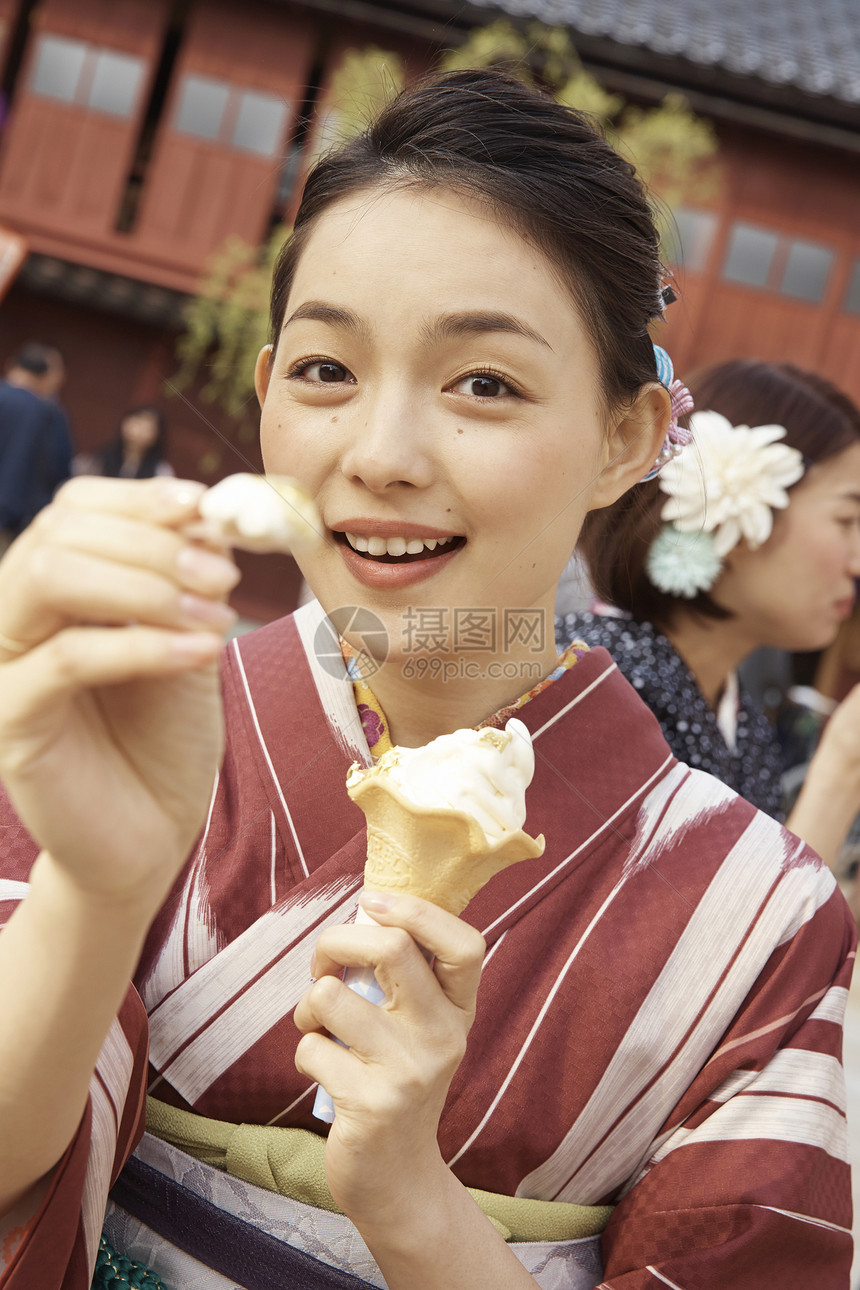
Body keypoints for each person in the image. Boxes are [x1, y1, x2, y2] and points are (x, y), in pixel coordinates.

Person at [0, 71, 853, 1289]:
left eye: (484, 385)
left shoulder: (762, 919)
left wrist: (412, 1202)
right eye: (325, 372)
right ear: (264, 394)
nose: (382, 456)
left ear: (626, 436)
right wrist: (93, 886)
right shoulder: (112, 719)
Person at [558, 360, 860, 874]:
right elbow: (717, 946)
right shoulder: (587, 683)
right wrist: (844, 764)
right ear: (739, 516)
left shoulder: (741, 721)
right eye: (847, 519)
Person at [0, 341, 72, 556]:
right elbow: (57, 471)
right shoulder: (48, 414)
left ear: (12, 364)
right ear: (46, 375)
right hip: (9, 519)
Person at [72, 404, 174, 480]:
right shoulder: (97, 460)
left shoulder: (161, 472)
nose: (139, 431)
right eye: (137, 423)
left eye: (147, 428)